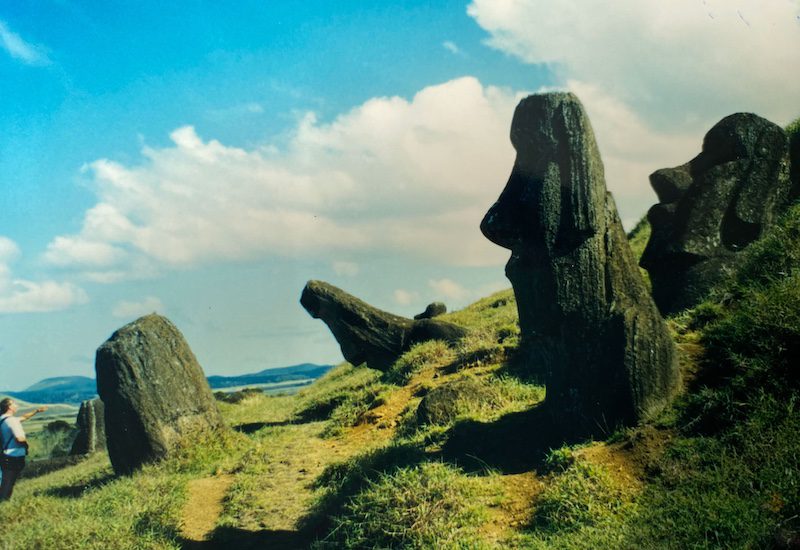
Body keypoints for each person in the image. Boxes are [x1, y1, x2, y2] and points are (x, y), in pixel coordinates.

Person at [0, 398, 47, 501]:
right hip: (14, 457)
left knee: (6, 483)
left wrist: (37, 411)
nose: (17, 406)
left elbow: (23, 417)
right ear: (9, 407)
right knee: (7, 486)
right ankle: (4, 506)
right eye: (15, 404)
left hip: (5, 456)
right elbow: (19, 438)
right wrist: (26, 446)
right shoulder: (12, 421)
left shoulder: (3, 419)